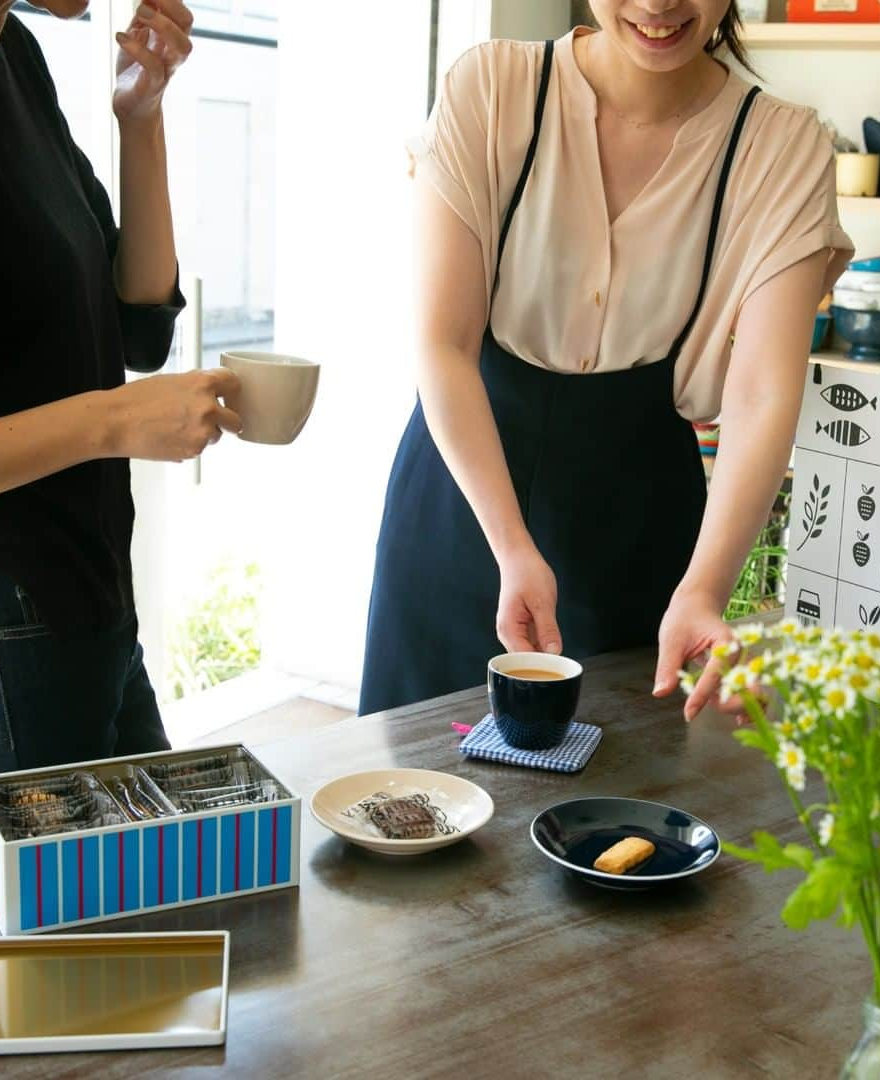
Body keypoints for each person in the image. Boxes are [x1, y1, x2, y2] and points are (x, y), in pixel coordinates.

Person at [360, 1, 853, 718]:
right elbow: (444, 343)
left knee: (616, 806)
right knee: (411, 799)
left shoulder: (782, 147)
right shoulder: (492, 86)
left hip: (639, 527)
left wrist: (705, 589)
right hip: (459, 502)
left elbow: (760, 394)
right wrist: (511, 546)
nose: (659, 4)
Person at [0, 0, 243, 833]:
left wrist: (140, 118)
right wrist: (110, 424)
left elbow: (138, 324)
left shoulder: (13, 55)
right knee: (38, 962)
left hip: (88, 603)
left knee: (149, 935)